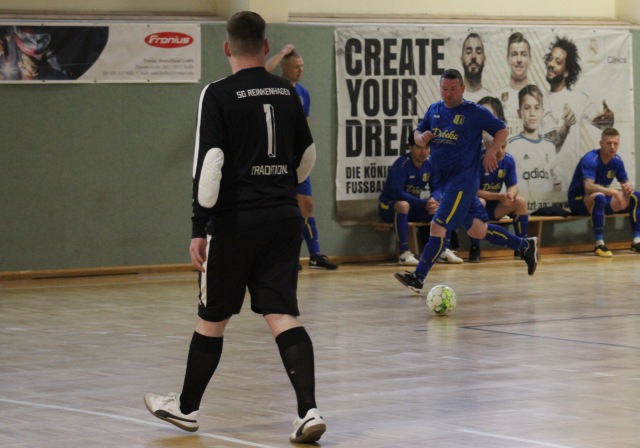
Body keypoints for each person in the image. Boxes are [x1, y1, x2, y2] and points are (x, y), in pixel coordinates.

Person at [143, 11, 326, 444]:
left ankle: (187, 408)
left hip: (235, 222)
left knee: (213, 317)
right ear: (266, 47)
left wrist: (198, 226)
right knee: (281, 313)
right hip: (283, 219)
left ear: (226, 47)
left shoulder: (217, 93)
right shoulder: (287, 91)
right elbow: (307, 157)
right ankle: (309, 411)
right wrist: (282, 185)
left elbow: (210, 165)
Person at [394, 69, 538, 293]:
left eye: (453, 89)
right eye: (444, 89)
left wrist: (491, 152)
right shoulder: (435, 109)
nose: (448, 93)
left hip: (462, 182)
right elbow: (418, 132)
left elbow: (502, 130)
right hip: (445, 181)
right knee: (477, 230)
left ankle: (418, 277)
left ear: (462, 88)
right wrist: (420, 137)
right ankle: (525, 245)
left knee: (437, 226)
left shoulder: (473, 112)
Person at [265, 44, 337, 270]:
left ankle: (315, 255)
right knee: (280, 208)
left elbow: (305, 123)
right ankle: (285, 256)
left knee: (306, 204)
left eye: (302, 66)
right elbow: (263, 71)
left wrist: (307, 150)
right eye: (296, 66)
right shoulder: (274, 86)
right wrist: (280, 53)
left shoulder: (304, 93)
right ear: (285, 67)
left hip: (298, 158)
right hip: (277, 158)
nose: (300, 70)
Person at [378, 132, 463, 266]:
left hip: (416, 207)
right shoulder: (401, 164)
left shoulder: (432, 163)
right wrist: (424, 204)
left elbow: (437, 187)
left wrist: (434, 201)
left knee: (446, 204)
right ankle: (404, 254)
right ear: (410, 147)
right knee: (403, 205)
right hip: (390, 207)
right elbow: (398, 193)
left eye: (427, 147)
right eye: (419, 147)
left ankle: (443, 251)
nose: (423, 152)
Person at [542, 36, 614, 190]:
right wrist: (566, 125)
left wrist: (608, 118)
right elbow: (551, 143)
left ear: (566, 72)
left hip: (571, 181)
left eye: (558, 62)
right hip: (545, 182)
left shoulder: (579, 99)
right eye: (551, 59)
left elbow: (603, 125)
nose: (551, 64)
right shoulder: (538, 101)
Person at [567, 127, 640, 257]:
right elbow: (588, 187)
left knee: (636, 196)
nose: (612, 146)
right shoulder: (591, 159)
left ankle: (637, 241)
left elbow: (625, 183)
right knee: (599, 197)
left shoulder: (617, 161)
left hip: (601, 200)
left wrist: (628, 187)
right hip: (579, 201)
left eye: (615, 143)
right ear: (601, 143)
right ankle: (599, 244)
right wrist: (613, 192)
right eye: (608, 143)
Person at [507, 85, 561, 199]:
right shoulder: (511, 145)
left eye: (536, 108)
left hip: (545, 207)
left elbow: (557, 184)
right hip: (522, 206)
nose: (532, 113)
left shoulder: (549, 146)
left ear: (542, 112)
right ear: (519, 113)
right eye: (527, 108)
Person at [494, 32, 533, 136]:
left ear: (530, 59)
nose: (519, 60)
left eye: (523, 54)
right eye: (514, 54)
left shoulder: (540, 97)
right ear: (508, 59)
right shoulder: (496, 98)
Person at [460, 33, 491, 103]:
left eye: (478, 52)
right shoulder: (452, 98)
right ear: (461, 59)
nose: (473, 56)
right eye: (468, 52)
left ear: (484, 59)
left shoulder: (490, 99)